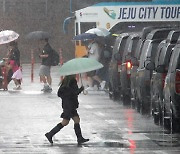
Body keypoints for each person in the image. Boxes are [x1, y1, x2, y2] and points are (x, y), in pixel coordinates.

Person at [45, 75, 89, 145]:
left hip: (67, 105)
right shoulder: (72, 81)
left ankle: (79, 138)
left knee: (71, 121)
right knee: (70, 121)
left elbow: (60, 94)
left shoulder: (65, 81)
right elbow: (74, 93)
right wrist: (81, 89)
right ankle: (50, 134)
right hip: (70, 105)